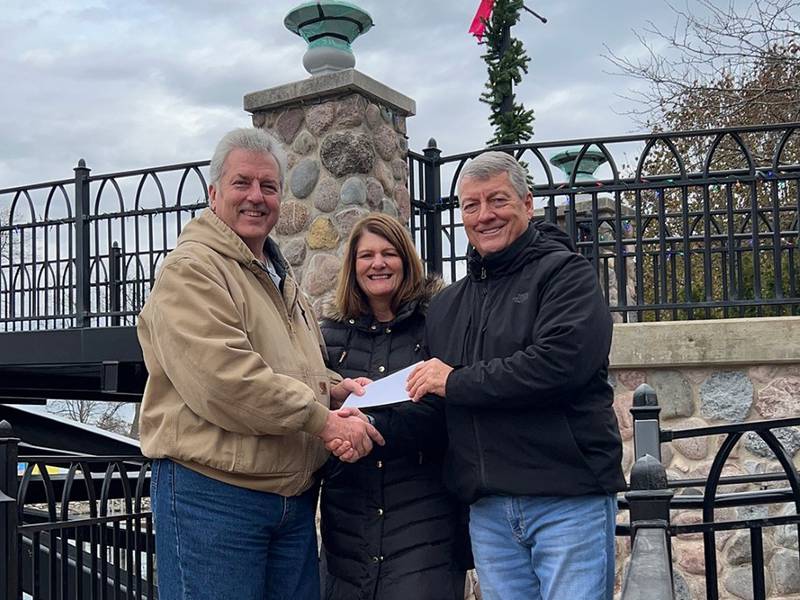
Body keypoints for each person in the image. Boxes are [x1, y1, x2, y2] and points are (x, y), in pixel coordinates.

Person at [136, 127, 383, 600]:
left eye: (269, 186)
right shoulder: (192, 270)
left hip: (288, 501)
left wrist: (331, 386)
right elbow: (224, 381)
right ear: (213, 193)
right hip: (215, 499)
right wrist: (324, 422)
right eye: (242, 183)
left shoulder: (274, 270)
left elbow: (282, 360)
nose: (256, 197)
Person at [406, 151, 625, 600]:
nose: (484, 215)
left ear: (527, 205)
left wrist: (455, 381)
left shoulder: (566, 275)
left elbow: (559, 365)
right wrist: (363, 411)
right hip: (489, 511)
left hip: (566, 499)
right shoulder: (447, 305)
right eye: (471, 205)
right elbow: (430, 394)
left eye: (497, 200)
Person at [319, 214, 470, 600]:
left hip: (423, 521)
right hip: (348, 526)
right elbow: (316, 404)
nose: (378, 263)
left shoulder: (436, 324)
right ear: (353, 266)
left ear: (406, 259)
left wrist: (370, 428)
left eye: (389, 253)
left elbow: (445, 411)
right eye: (366, 255)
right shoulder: (330, 336)